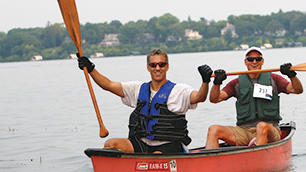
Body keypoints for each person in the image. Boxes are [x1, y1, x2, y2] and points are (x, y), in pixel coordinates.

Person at [77, 49, 212, 154]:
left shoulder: (179, 90)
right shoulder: (137, 89)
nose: (157, 68)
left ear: (167, 67)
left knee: (157, 157)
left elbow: (199, 97)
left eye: (161, 64)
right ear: (148, 67)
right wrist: (91, 69)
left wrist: (205, 82)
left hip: (170, 145)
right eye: (153, 65)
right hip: (143, 145)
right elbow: (108, 85)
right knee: (110, 144)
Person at [205, 46, 303, 149]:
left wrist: (291, 75)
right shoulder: (237, 83)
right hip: (244, 130)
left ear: (262, 61)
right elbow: (215, 99)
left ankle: (256, 157)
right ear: (245, 62)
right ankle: (209, 162)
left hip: (270, 129)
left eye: (258, 59)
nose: (254, 62)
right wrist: (217, 83)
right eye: (250, 59)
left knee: (262, 126)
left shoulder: (274, 79)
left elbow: (297, 90)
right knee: (213, 129)